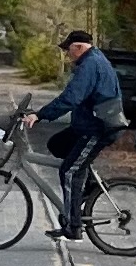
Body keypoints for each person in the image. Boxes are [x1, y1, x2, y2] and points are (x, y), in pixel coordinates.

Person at [35, 30, 124, 234]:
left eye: (68, 49)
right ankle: (90, 186)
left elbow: (71, 98)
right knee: (57, 145)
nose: (67, 54)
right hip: (85, 125)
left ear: (79, 47)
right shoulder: (92, 60)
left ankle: (73, 226)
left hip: (97, 129)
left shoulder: (90, 65)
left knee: (69, 171)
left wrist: (40, 115)